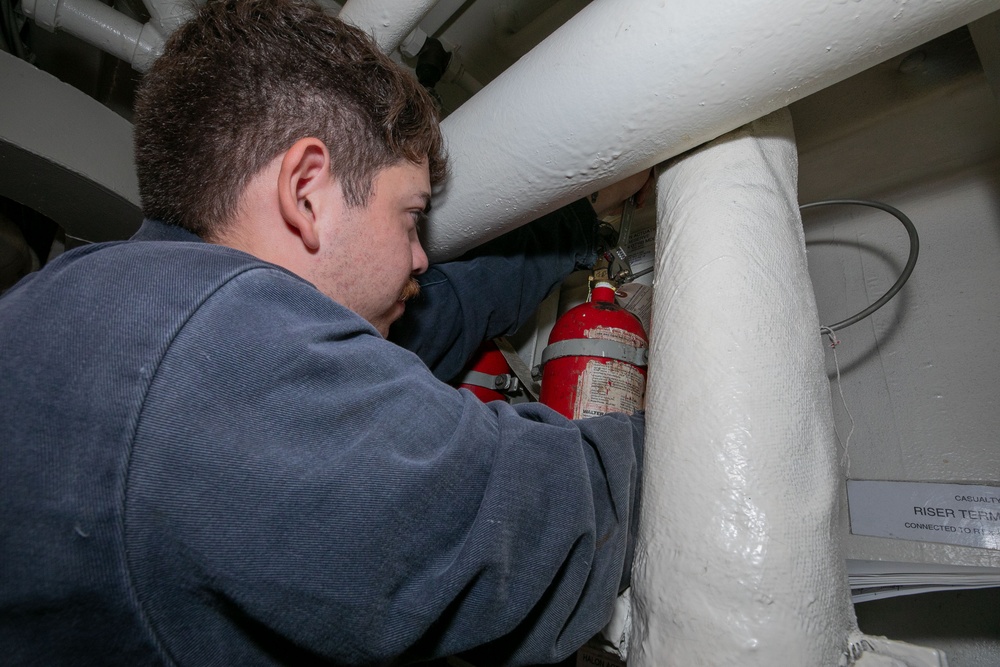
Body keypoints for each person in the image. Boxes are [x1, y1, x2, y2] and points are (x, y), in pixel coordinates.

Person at [0, 0, 646, 664]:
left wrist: (578, 218)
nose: (421, 256)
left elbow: (439, 316)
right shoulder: (208, 363)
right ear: (307, 191)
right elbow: (558, 518)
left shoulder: (123, 305)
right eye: (411, 217)